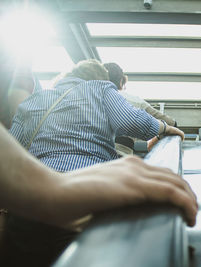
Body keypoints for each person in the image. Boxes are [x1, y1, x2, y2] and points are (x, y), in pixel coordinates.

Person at [3, 59, 191, 265]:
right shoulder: (100, 88)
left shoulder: (34, 99)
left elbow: (14, 146)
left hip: (29, 207)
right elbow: (130, 120)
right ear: (100, 78)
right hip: (86, 201)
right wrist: (163, 128)